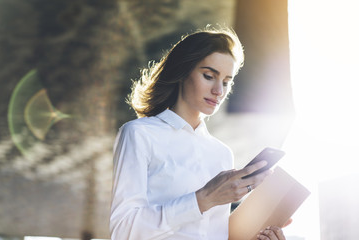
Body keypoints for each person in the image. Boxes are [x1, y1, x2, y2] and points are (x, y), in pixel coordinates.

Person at [110, 26, 287, 240]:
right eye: (209, 76)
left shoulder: (222, 153)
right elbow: (122, 231)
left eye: (226, 82)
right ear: (182, 72)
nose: (218, 91)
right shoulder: (139, 135)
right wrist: (202, 199)